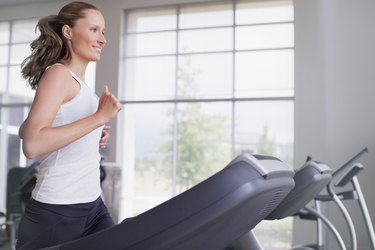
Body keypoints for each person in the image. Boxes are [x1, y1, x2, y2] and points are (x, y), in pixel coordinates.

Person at [16, 2, 121, 249]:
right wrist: (98, 119)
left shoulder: (80, 85)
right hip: (57, 211)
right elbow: (32, 144)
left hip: (92, 204)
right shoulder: (58, 74)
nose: (102, 39)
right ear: (68, 32)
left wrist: (90, 134)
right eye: (94, 29)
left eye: (103, 31)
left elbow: (26, 128)